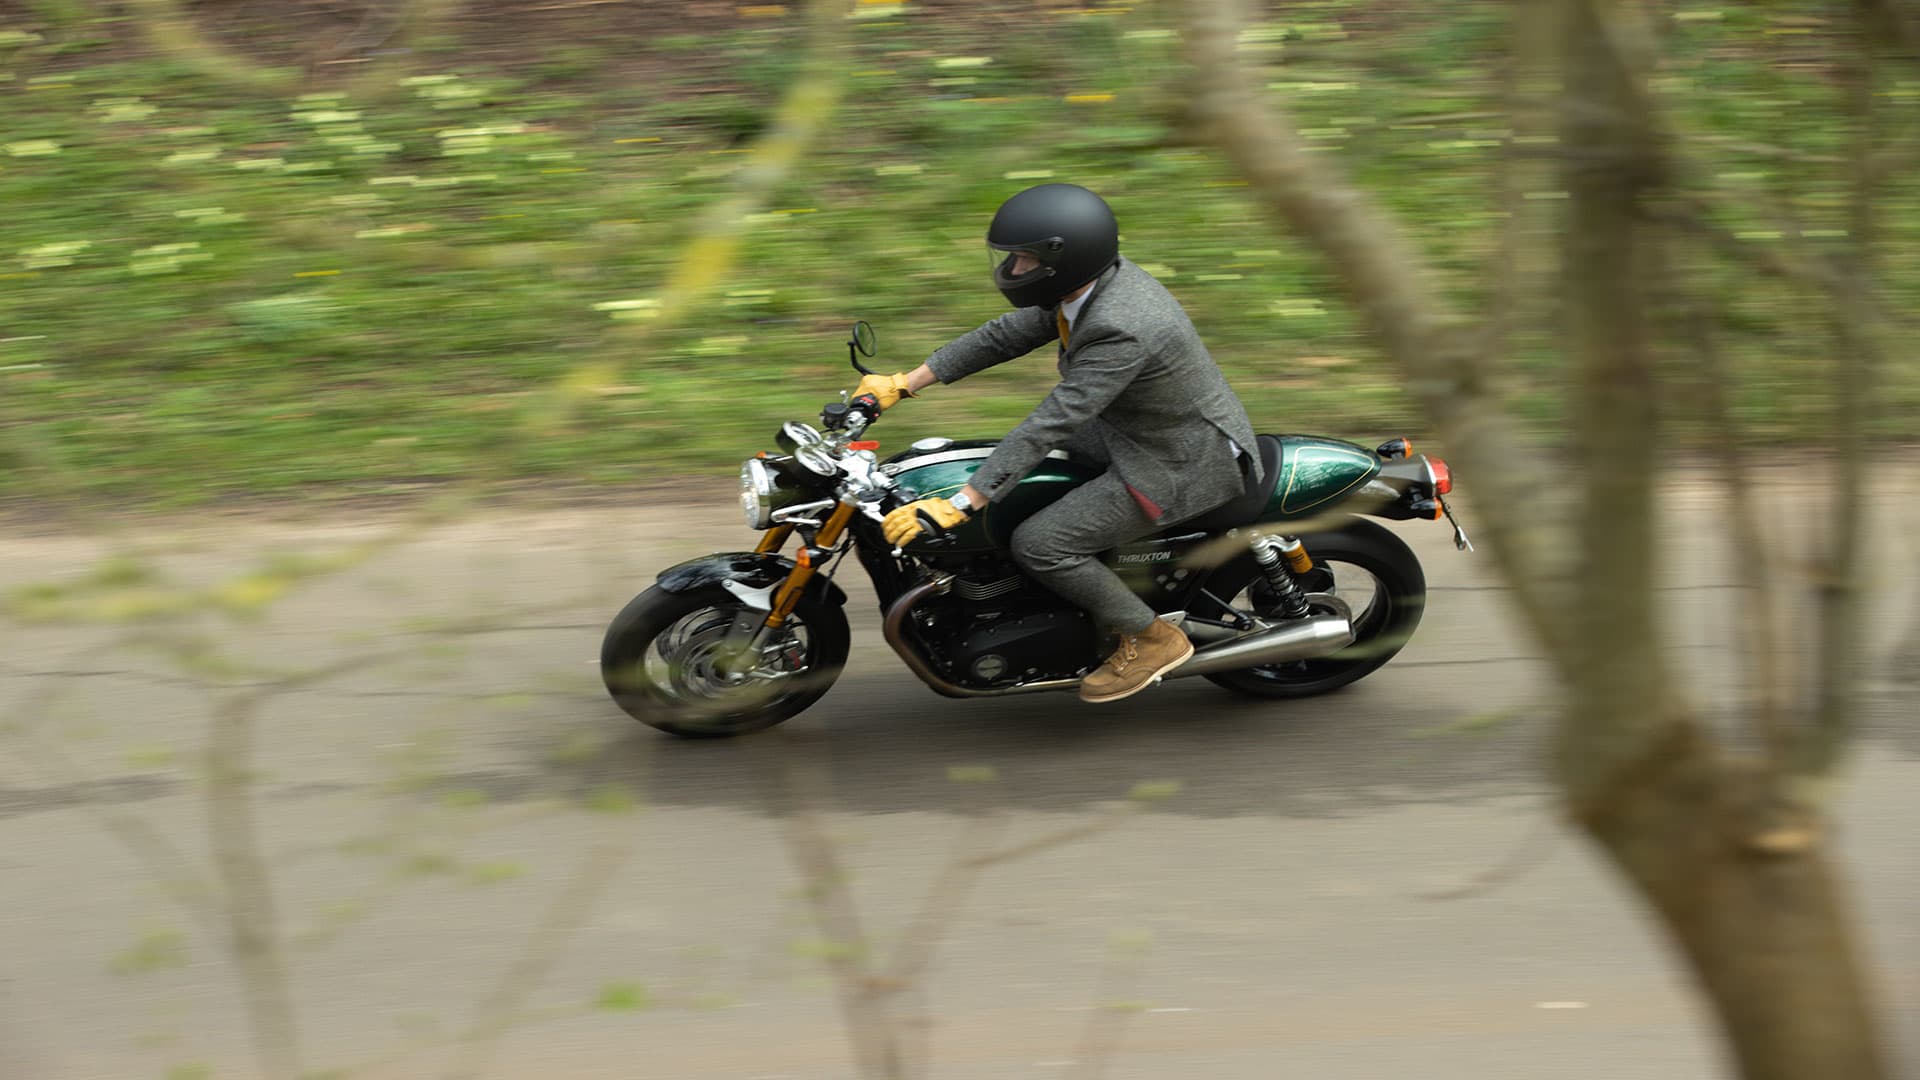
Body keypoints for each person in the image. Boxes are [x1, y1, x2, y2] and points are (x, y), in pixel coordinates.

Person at [855, 183, 1259, 704]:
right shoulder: (1085, 287)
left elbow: (1055, 419)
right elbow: (1003, 336)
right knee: (990, 471)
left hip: (1177, 457)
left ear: (1062, 261)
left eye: (1024, 259)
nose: (1013, 269)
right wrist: (903, 383)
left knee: (1043, 543)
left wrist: (962, 502)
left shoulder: (1122, 325)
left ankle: (1153, 637)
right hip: (1134, 426)